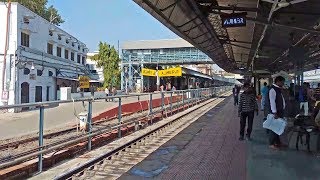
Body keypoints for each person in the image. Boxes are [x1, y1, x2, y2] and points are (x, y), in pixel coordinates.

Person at [267, 76, 286, 150]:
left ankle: (277, 142)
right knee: (274, 128)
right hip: (275, 112)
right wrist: (274, 113)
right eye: (282, 82)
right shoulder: (272, 90)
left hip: (279, 111)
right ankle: (271, 143)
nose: (283, 83)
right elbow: (272, 102)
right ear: (278, 81)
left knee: (278, 127)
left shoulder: (278, 89)